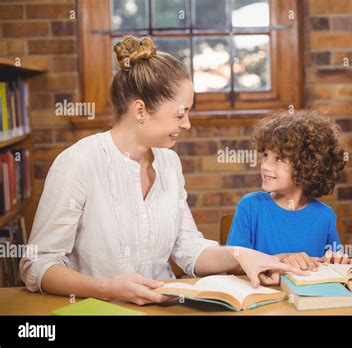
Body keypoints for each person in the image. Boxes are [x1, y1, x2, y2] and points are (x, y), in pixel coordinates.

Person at [20, 36, 305, 306]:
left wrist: (245, 256)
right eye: (180, 114)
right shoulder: (79, 162)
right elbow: (38, 264)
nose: (187, 124)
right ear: (140, 110)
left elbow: (189, 249)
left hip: (162, 308)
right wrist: (106, 288)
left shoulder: (169, 163)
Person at [226, 110, 352, 271]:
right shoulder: (250, 206)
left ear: (306, 166)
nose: (265, 165)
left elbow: (331, 264)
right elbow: (233, 266)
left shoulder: (325, 216)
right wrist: (281, 260)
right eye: (266, 155)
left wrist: (337, 261)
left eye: (279, 159)